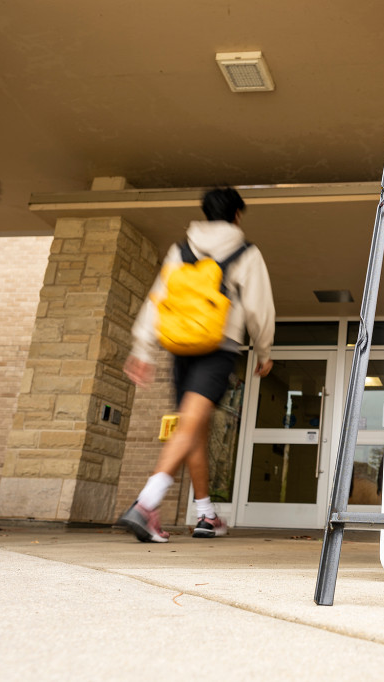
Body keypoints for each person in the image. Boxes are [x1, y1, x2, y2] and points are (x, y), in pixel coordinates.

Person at [119, 187, 275, 542]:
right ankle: (147, 504)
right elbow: (259, 308)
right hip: (218, 346)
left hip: (180, 346)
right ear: (237, 215)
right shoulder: (246, 252)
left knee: (194, 430)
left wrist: (142, 347)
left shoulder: (180, 248)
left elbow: (158, 297)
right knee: (192, 425)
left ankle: (206, 515)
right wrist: (264, 351)